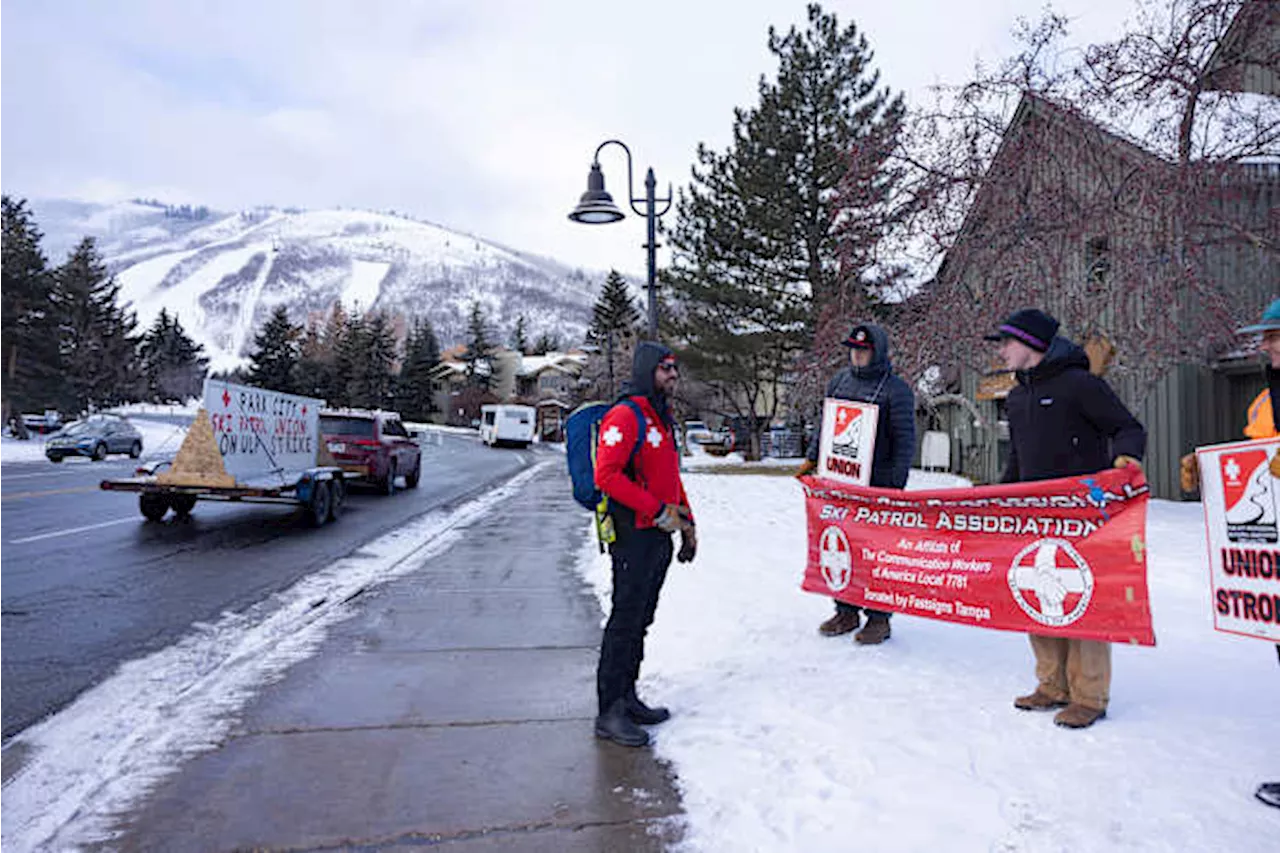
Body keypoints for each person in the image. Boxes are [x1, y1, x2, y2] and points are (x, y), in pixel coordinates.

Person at [987, 308, 1146, 729]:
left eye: (1006, 343)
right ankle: (1052, 685)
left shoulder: (1081, 386)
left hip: (1083, 517)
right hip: (1035, 514)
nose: (1001, 351)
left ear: (1031, 344)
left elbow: (1129, 428)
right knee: (1036, 593)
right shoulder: (1017, 397)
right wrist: (997, 500)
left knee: (1082, 599)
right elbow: (1018, 458)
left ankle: (1089, 695)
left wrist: (1125, 460)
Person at [1180, 297, 1280, 808]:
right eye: (1265, 335)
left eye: (1275, 335)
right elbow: (1250, 459)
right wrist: (1209, 468)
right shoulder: (1265, 399)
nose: (1265, 344)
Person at [592, 342, 696, 747]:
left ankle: (628, 696)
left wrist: (688, 524)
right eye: (665, 367)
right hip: (632, 534)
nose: (673, 374)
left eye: (675, 367)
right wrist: (656, 510)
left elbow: (672, 478)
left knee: (642, 620)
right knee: (624, 621)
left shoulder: (661, 419)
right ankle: (609, 710)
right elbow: (607, 475)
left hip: (658, 537)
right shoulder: (627, 415)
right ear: (647, 370)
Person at [798, 323, 916, 645]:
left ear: (877, 352)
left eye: (863, 350)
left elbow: (905, 441)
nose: (857, 355)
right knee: (840, 545)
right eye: (853, 349)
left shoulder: (897, 390)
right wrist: (811, 459)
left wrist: (894, 484)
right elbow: (826, 424)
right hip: (840, 482)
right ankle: (845, 609)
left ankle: (879, 618)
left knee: (876, 553)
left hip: (878, 486)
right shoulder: (839, 381)